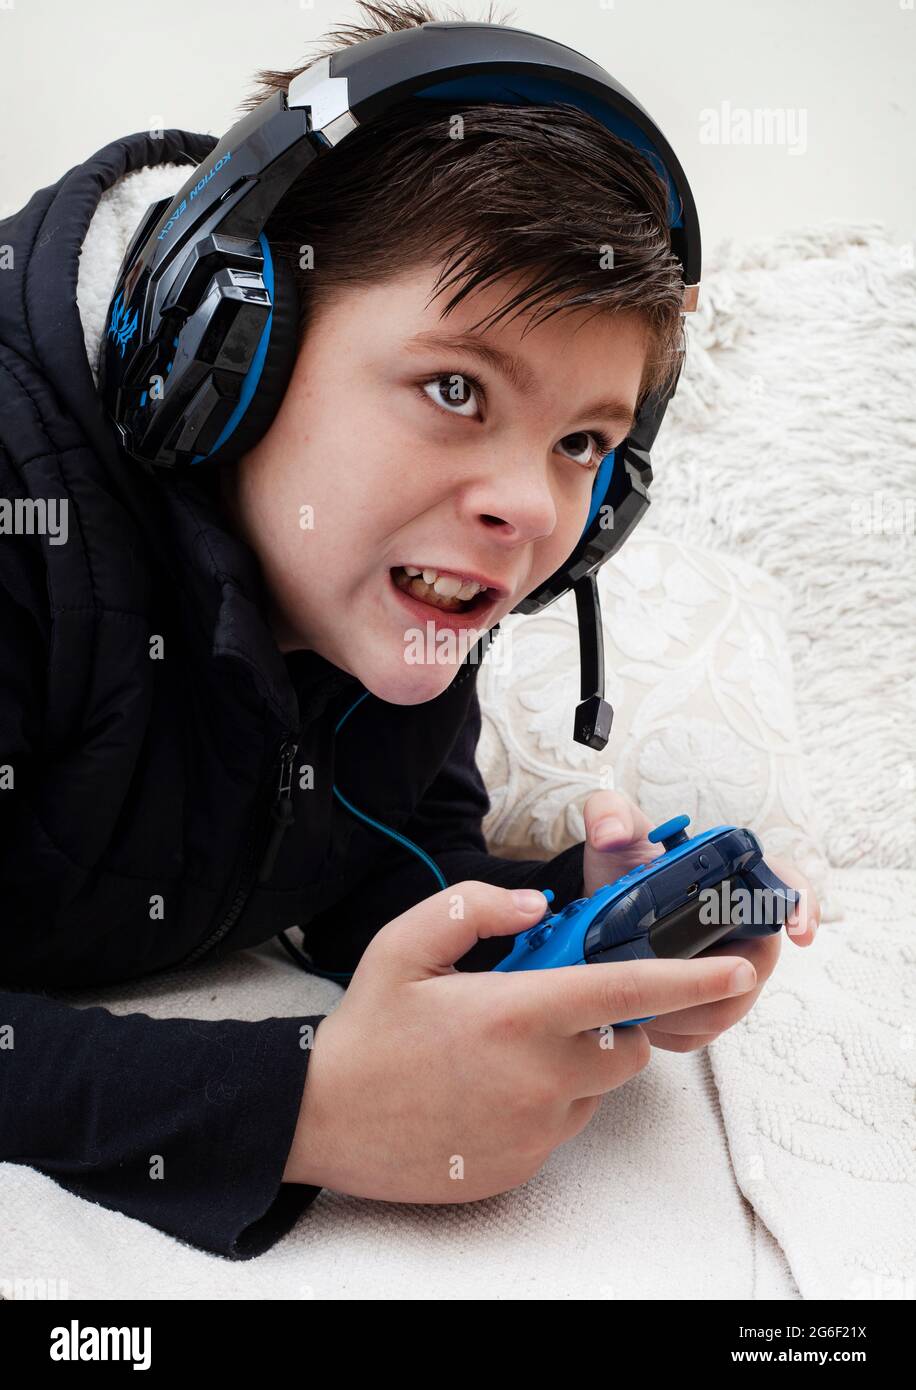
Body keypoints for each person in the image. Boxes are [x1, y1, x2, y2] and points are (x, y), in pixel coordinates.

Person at [0, 0, 818, 1259]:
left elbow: (371, 864)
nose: (529, 505)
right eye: (455, 389)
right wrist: (302, 1106)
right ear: (229, 346)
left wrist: (559, 932)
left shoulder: (390, 572)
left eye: (582, 443)